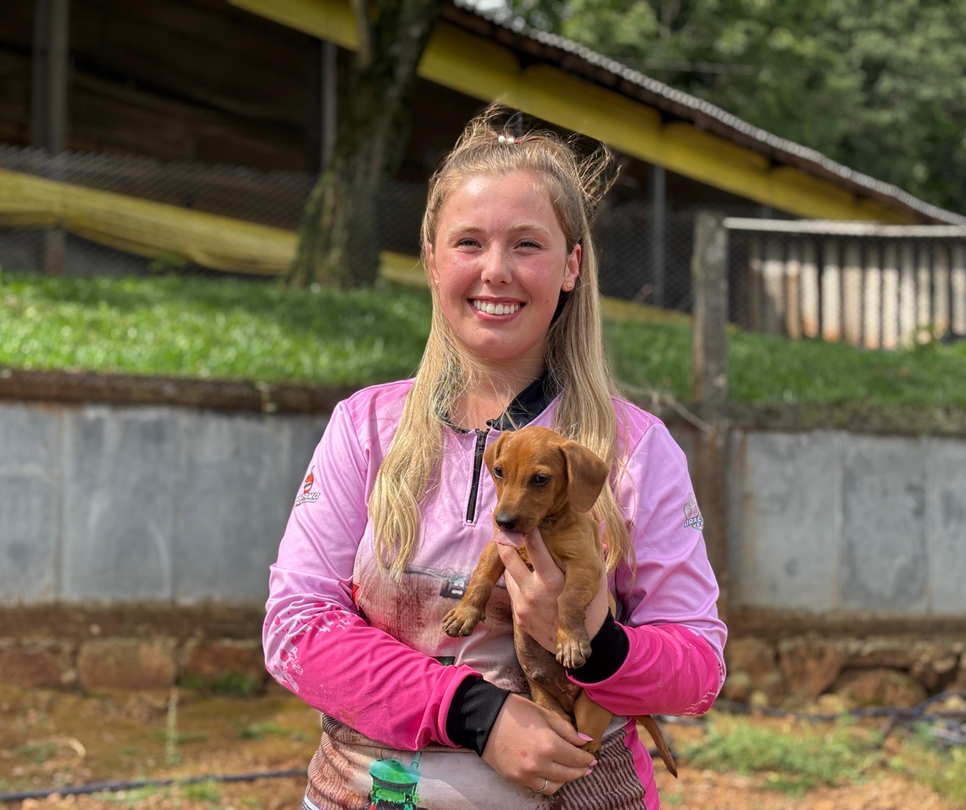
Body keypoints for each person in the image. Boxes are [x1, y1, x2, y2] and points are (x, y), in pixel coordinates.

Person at [264, 106, 727, 810]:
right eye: (469, 242)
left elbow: (698, 668)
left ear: (572, 265)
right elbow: (296, 627)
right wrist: (475, 713)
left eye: (528, 245)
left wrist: (598, 645)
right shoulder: (366, 427)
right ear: (431, 260)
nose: (496, 271)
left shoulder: (634, 451)